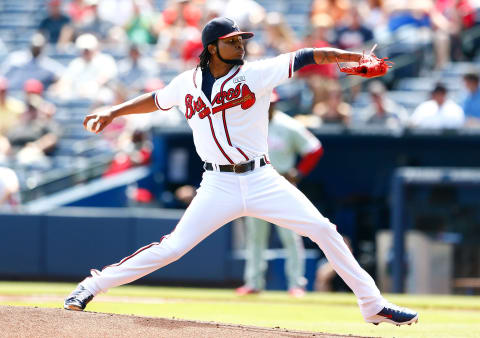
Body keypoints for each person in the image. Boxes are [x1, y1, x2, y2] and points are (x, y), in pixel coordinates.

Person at [64, 17, 418, 326]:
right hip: (217, 183)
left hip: (262, 178)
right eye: (232, 41)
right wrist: (113, 112)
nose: (240, 45)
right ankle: (91, 286)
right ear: (212, 48)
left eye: (241, 39)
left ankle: (372, 305)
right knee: (173, 247)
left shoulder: (256, 73)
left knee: (325, 231)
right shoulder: (186, 83)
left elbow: (310, 55)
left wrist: (355, 58)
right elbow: (157, 98)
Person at [236, 91, 324, 297]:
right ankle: (253, 283)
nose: (269, 106)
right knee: (255, 238)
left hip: (282, 185)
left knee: (290, 236)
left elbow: (315, 149)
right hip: (255, 186)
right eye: (266, 102)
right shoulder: (248, 124)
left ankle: (296, 284)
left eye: (272, 102)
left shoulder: (288, 125)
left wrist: (299, 173)